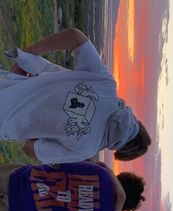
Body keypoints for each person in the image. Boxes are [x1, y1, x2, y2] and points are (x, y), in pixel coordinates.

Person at [1, 28, 151, 163]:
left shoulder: (106, 84)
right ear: (122, 150)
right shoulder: (85, 150)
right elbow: (31, 150)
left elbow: (75, 37)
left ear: (136, 122)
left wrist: (28, 54)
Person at [0, 162, 145, 211]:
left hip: (27, 179)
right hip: (29, 210)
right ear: (126, 207)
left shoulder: (101, 173)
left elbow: (60, 166)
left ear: (123, 179)